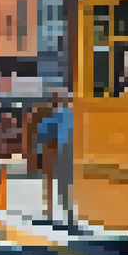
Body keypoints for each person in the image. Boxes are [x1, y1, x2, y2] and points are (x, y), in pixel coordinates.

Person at [37, 91, 75, 227]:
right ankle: (64, 215)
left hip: (60, 149)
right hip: (65, 149)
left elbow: (44, 135)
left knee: (60, 185)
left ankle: (54, 214)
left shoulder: (57, 115)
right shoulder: (67, 114)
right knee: (64, 185)